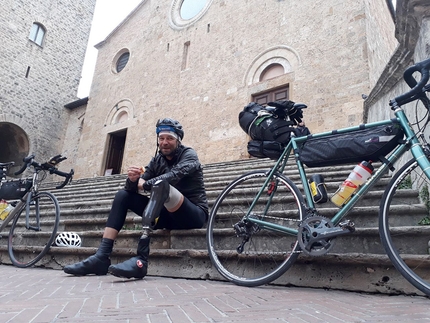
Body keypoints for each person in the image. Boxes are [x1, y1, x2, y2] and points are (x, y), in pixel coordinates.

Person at [63, 118, 209, 279]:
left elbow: (173, 176)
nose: (165, 142)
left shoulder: (189, 154)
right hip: (166, 216)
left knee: (163, 184)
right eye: (161, 138)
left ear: (178, 140)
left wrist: (144, 184)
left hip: (193, 214)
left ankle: (141, 259)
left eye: (170, 138)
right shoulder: (156, 161)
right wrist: (132, 180)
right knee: (122, 195)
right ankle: (101, 256)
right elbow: (135, 186)